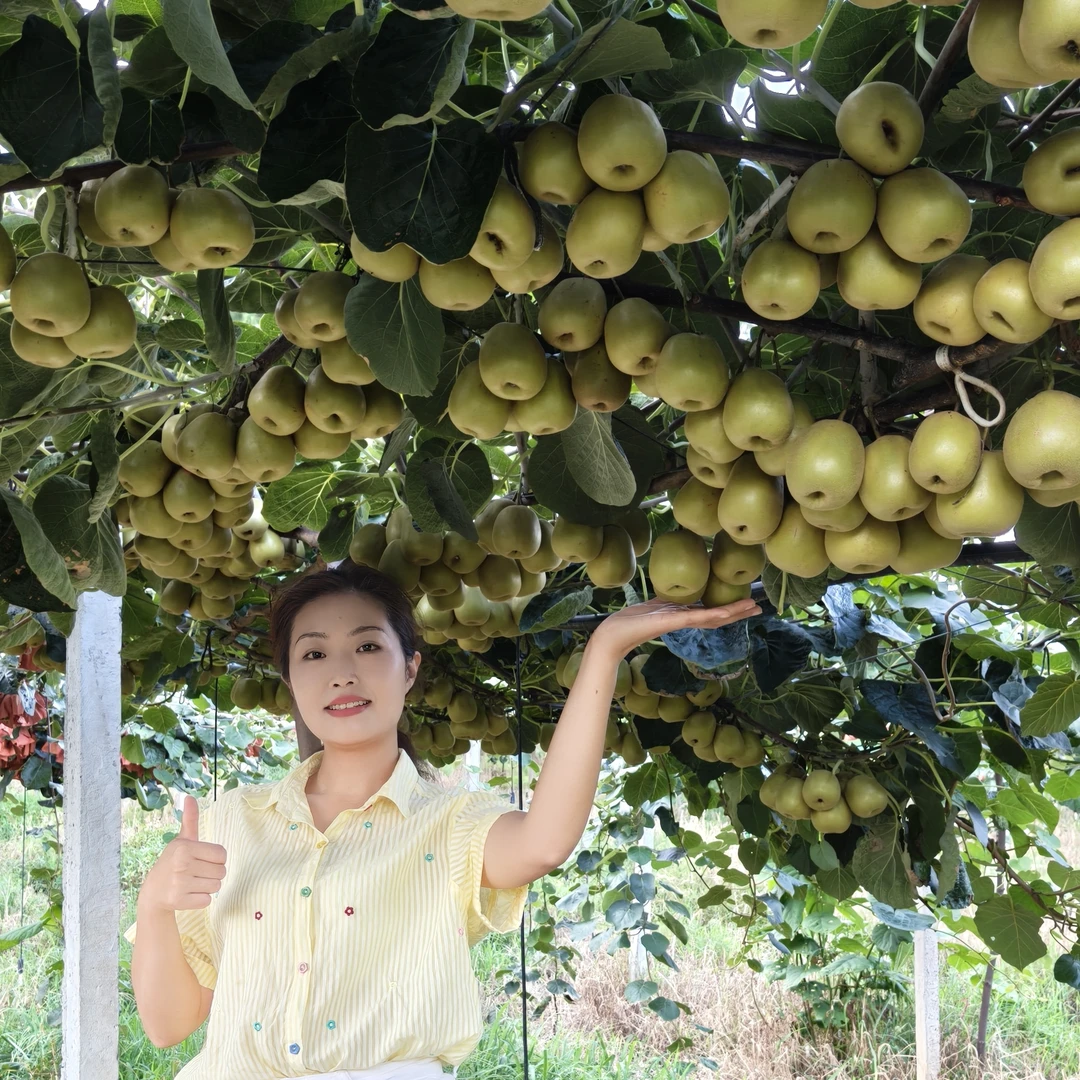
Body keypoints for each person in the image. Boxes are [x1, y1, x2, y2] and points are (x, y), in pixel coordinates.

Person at [124, 559, 760, 1079]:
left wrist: (604, 649)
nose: (342, 672)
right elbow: (169, 1025)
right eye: (313, 655)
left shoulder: (449, 821)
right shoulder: (234, 820)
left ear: (411, 668)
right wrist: (155, 905)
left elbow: (542, 843)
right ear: (289, 681)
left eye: (368, 646)